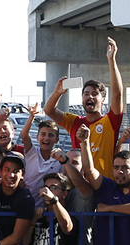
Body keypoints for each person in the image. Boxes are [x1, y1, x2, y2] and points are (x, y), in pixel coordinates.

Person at [44, 37, 124, 178]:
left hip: (104, 184)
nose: (90, 97)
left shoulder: (110, 121)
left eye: (95, 94)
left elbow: (117, 94)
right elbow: (49, 110)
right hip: (80, 186)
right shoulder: (74, 122)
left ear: (103, 99)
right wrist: (57, 93)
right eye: (86, 94)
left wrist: (111, 60)